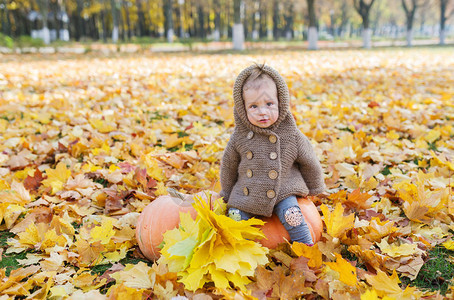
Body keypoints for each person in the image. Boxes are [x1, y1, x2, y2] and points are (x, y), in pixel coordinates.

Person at [220, 63, 325, 245]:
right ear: (242, 109)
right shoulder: (240, 137)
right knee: (235, 219)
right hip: (247, 191)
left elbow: (310, 161)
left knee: (293, 217)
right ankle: (238, 251)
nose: (263, 112)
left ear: (281, 103)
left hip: (283, 189)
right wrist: (226, 193)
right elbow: (229, 166)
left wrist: (315, 187)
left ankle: (306, 250)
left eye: (269, 104)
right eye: (253, 106)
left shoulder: (291, 134)